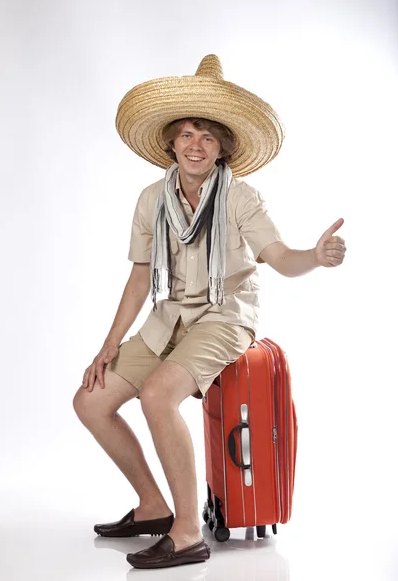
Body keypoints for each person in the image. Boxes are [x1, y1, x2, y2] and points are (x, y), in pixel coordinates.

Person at [73, 54, 347, 569]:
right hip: (169, 318)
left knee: (157, 397)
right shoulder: (151, 197)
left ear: (221, 148)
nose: (196, 145)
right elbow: (138, 277)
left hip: (225, 318)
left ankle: (186, 533)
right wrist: (108, 345)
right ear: (172, 143)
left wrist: (316, 256)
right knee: (90, 402)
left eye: (207, 137)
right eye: (187, 135)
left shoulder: (242, 197)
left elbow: (281, 259)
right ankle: (153, 506)